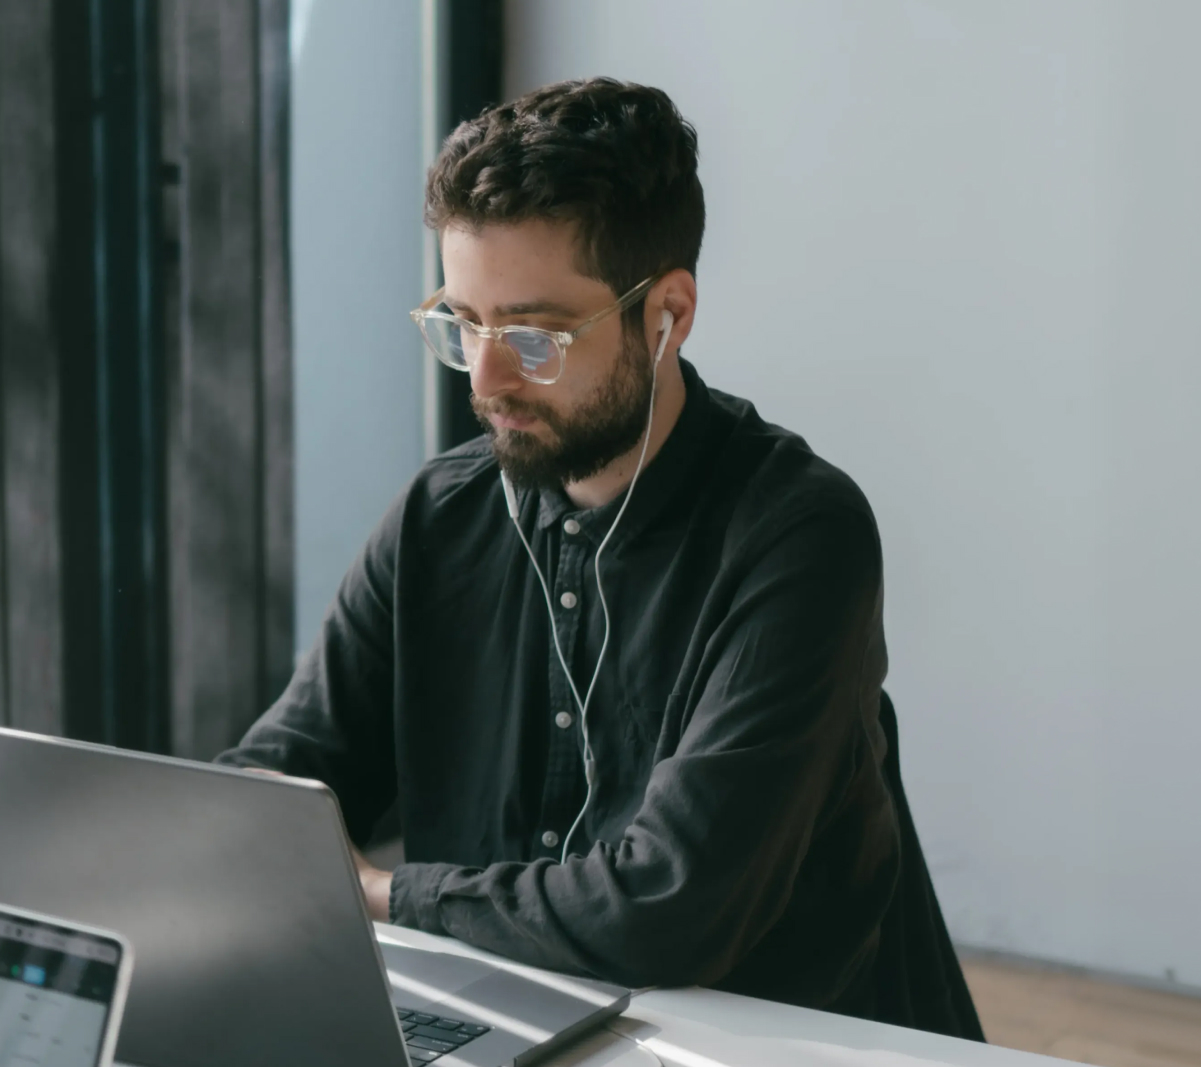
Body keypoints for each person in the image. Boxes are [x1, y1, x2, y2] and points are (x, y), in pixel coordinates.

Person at [218, 77, 983, 1039]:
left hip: (773, 1043)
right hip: (504, 1012)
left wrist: (378, 891)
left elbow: (669, 908)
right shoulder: (437, 516)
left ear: (667, 312)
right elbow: (277, 791)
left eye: (534, 336)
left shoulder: (799, 535)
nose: (487, 378)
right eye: (462, 323)